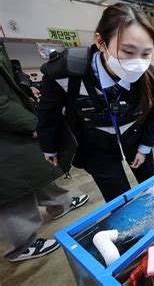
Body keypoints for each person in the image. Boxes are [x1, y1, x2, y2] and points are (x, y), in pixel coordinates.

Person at [37, 3, 154, 203]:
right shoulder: (65, 72)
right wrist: (49, 146)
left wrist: (145, 147)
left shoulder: (149, 74)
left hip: (134, 136)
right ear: (101, 41)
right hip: (95, 143)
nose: (137, 62)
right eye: (128, 51)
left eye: (146, 53)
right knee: (118, 198)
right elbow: (47, 112)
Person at [0, 41, 89, 262]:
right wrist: (32, 123)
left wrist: (23, 90)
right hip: (7, 127)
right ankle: (21, 243)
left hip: (13, 118)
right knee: (12, 187)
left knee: (36, 167)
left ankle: (61, 203)